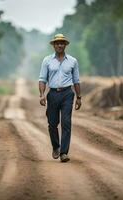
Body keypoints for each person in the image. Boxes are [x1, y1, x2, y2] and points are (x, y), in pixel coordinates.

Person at [38, 33, 82, 162]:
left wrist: (79, 97)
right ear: (54, 45)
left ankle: (64, 153)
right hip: (52, 94)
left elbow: (76, 80)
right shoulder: (47, 60)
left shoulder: (73, 61)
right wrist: (42, 95)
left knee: (66, 122)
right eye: (57, 43)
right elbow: (42, 79)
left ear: (65, 45)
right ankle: (56, 146)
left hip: (67, 94)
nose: (60, 45)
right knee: (52, 124)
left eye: (62, 43)